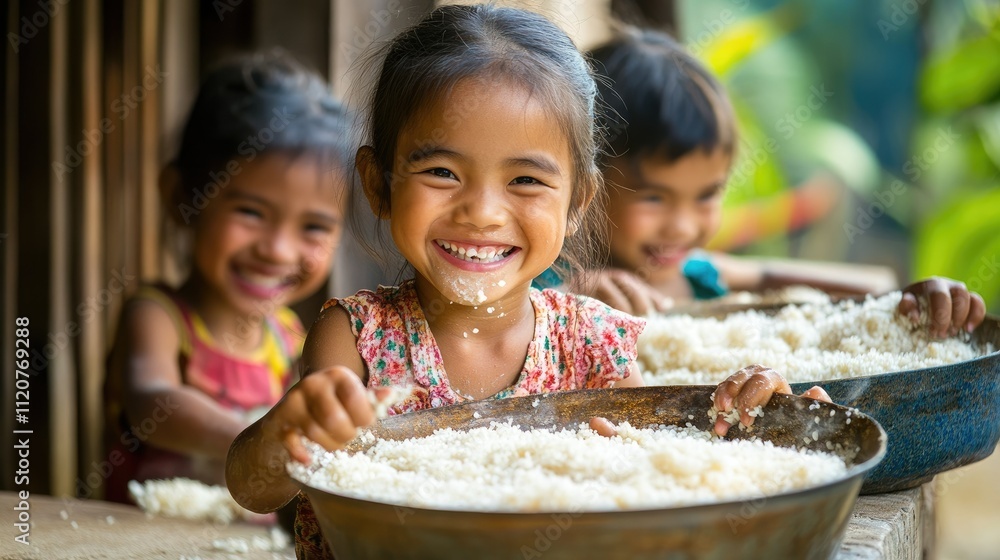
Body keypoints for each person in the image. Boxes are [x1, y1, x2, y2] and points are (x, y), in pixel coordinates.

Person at [225, 6, 826, 559]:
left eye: (526, 181)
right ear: (379, 184)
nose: (482, 212)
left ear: (577, 203)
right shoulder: (357, 338)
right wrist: (289, 431)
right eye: (441, 171)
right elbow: (255, 489)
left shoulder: (591, 344)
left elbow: (663, 470)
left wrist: (760, 422)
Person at [572, 28, 986, 336]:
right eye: (654, 198)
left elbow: (869, 284)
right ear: (585, 186)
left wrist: (914, 298)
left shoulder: (697, 273)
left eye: (707, 195)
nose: (682, 226)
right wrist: (575, 292)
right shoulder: (552, 285)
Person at [102, 51, 353, 504]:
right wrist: (261, 439)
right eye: (250, 212)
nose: (277, 250)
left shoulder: (290, 340)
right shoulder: (158, 317)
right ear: (183, 197)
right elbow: (151, 405)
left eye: (313, 227)